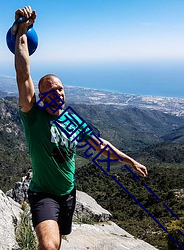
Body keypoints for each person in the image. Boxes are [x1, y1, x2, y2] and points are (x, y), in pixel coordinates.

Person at [13, 6, 148, 250]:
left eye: (61, 88)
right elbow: (23, 74)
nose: (58, 91)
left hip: (68, 194)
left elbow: (101, 146)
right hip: (43, 194)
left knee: (59, 242)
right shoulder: (33, 116)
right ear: (41, 95)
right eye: (51, 89)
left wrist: (130, 161)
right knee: (48, 246)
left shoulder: (72, 121)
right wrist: (22, 31)